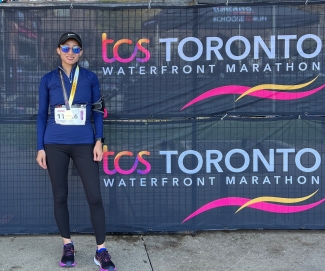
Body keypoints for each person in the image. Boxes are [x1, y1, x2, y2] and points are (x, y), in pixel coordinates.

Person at [36, 32, 116, 271]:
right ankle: (67, 245)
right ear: (58, 50)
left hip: (84, 142)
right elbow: (41, 115)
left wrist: (98, 140)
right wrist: (40, 147)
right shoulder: (48, 79)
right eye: (66, 47)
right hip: (55, 144)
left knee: (95, 197)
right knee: (60, 196)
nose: (71, 52)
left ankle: (101, 250)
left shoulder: (90, 77)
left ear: (81, 52)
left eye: (76, 48)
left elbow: (98, 111)